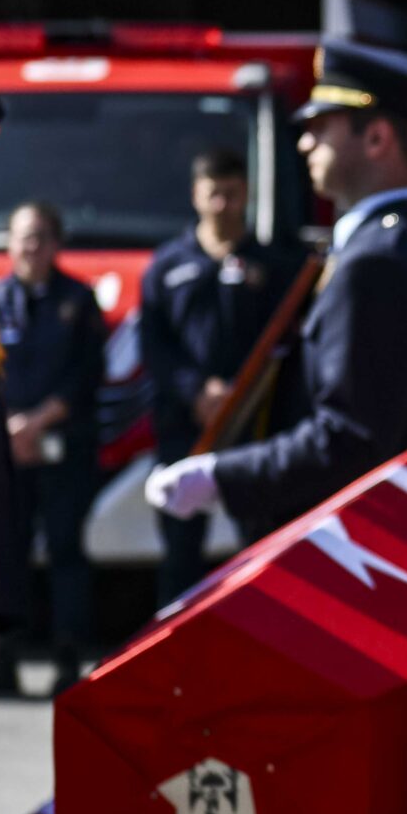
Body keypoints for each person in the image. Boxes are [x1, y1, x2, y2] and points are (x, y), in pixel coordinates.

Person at [145, 41, 407, 534]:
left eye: (321, 128)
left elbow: (347, 439)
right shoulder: (404, 240)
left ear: (377, 138)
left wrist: (222, 477)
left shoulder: (377, 261)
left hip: (378, 545)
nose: (305, 143)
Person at [139, 147, 304, 597]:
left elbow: (284, 345)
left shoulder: (274, 266)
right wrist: (196, 391)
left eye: (231, 195)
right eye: (213, 194)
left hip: (253, 428)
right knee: (179, 554)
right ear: (196, 194)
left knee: (262, 547)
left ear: (246, 194)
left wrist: (239, 395)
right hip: (185, 426)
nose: (222, 206)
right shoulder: (168, 265)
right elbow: (155, 345)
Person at [0, 200, 108, 688]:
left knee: (65, 550)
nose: (31, 248)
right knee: (4, 552)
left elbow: (88, 375)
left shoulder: (78, 301)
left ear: (56, 244)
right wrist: (9, 429)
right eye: (22, 237)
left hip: (65, 447)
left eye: (40, 237)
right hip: (7, 449)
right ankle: (4, 655)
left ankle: (67, 653)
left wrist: (39, 422)